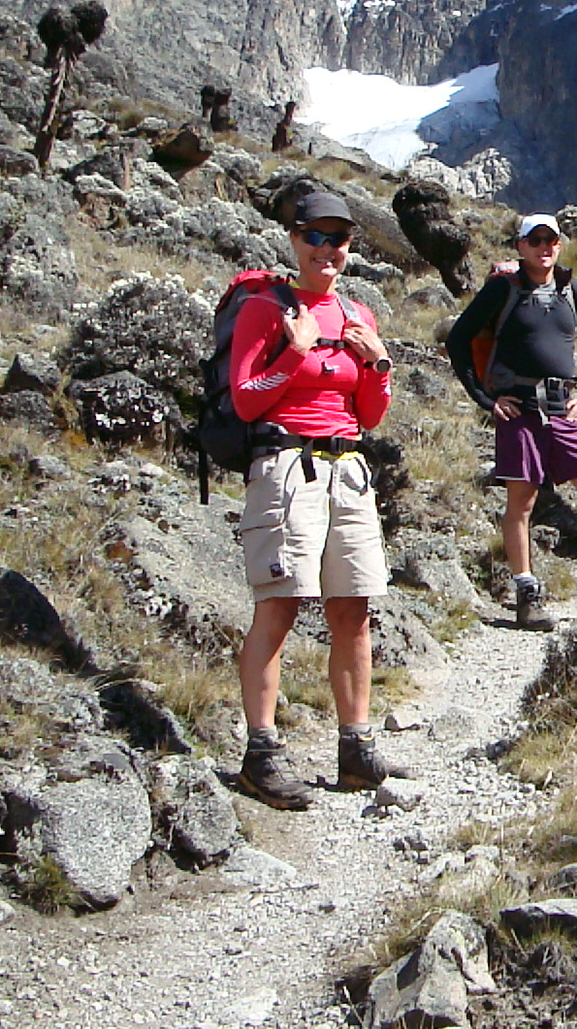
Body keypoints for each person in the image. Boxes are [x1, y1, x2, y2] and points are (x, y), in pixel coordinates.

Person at [228, 191, 407, 809]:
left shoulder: (358, 313)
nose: (328, 250)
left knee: (353, 609)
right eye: (316, 238)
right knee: (280, 606)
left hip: (348, 467)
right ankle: (261, 752)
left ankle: (354, 746)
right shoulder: (264, 309)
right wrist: (297, 350)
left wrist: (377, 363)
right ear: (294, 240)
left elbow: (370, 414)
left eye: (340, 239)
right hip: (285, 467)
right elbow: (249, 399)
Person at [445, 214, 577, 629]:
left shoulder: (571, 290)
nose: (544, 247)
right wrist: (485, 399)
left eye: (551, 240)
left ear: (560, 245)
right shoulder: (502, 290)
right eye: (535, 240)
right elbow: (458, 339)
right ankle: (526, 591)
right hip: (518, 408)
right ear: (520, 246)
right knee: (521, 502)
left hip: (562, 407)